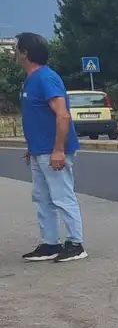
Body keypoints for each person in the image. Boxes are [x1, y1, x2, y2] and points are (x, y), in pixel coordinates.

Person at [14, 32, 85, 262]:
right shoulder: (31, 79)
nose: (14, 52)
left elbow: (62, 116)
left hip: (52, 152)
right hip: (39, 151)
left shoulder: (46, 78)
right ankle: (50, 243)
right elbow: (38, 117)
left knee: (62, 196)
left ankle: (75, 244)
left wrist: (58, 150)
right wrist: (32, 147)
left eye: (16, 48)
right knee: (42, 198)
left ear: (25, 53)